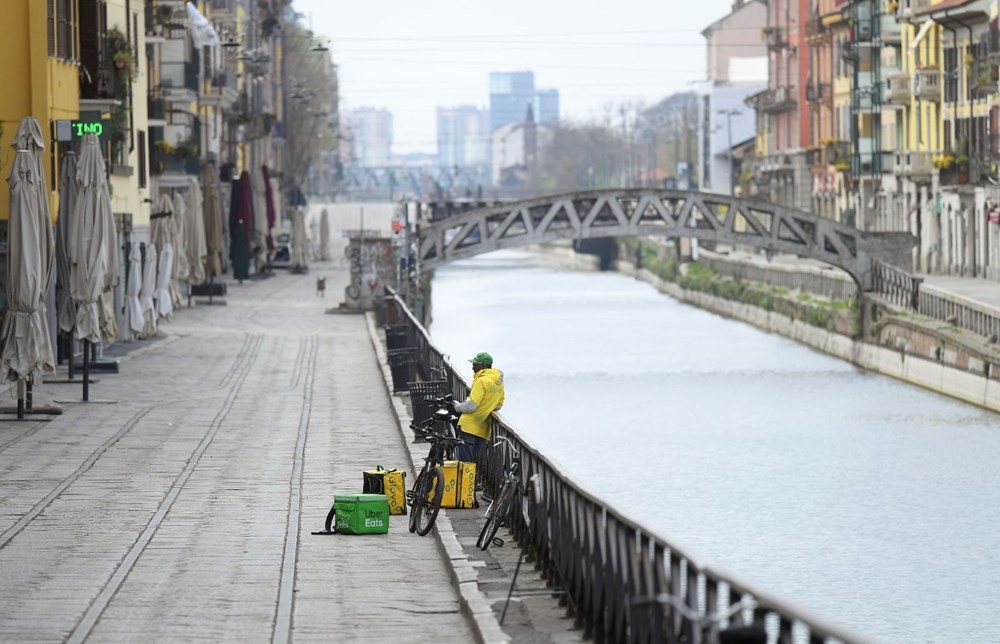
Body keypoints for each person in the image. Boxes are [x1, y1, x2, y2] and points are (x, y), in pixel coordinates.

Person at [453, 351, 505, 462]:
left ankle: (463, 480)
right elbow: (498, 405)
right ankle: (470, 480)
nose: (472, 367)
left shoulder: (481, 381)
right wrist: (486, 406)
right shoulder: (499, 382)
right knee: (471, 464)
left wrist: (457, 407)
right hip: (483, 428)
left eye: (475, 364)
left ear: (483, 365)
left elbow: (471, 406)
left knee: (464, 463)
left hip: (469, 427)